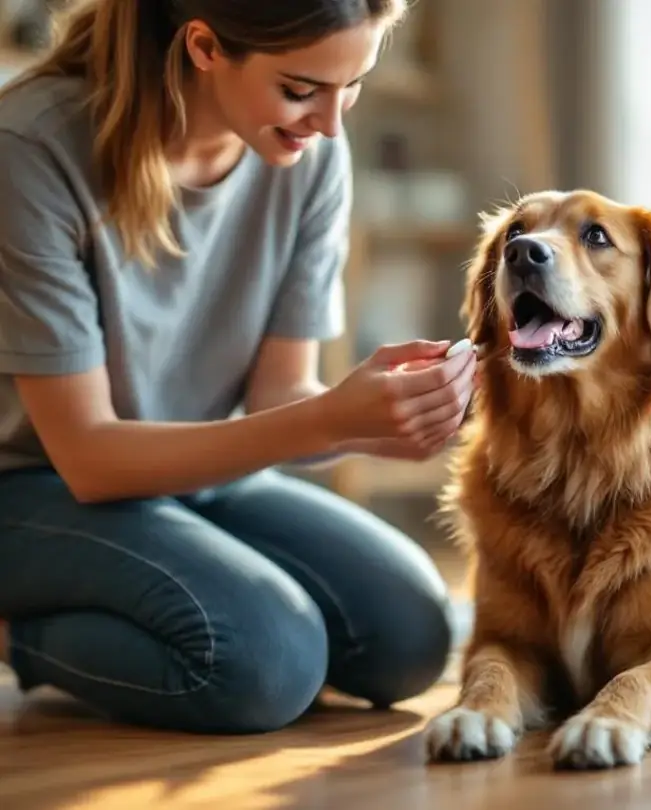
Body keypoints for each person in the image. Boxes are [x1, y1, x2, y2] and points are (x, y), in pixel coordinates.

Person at [0, 0, 478, 735]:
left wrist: (375, 423)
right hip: (34, 487)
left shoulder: (311, 158)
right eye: (300, 89)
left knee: (411, 639)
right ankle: (17, 635)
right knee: (263, 663)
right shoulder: (32, 147)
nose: (328, 124)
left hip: (197, 473)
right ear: (204, 46)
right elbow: (88, 457)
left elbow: (280, 397)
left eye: (350, 87)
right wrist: (327, 419)